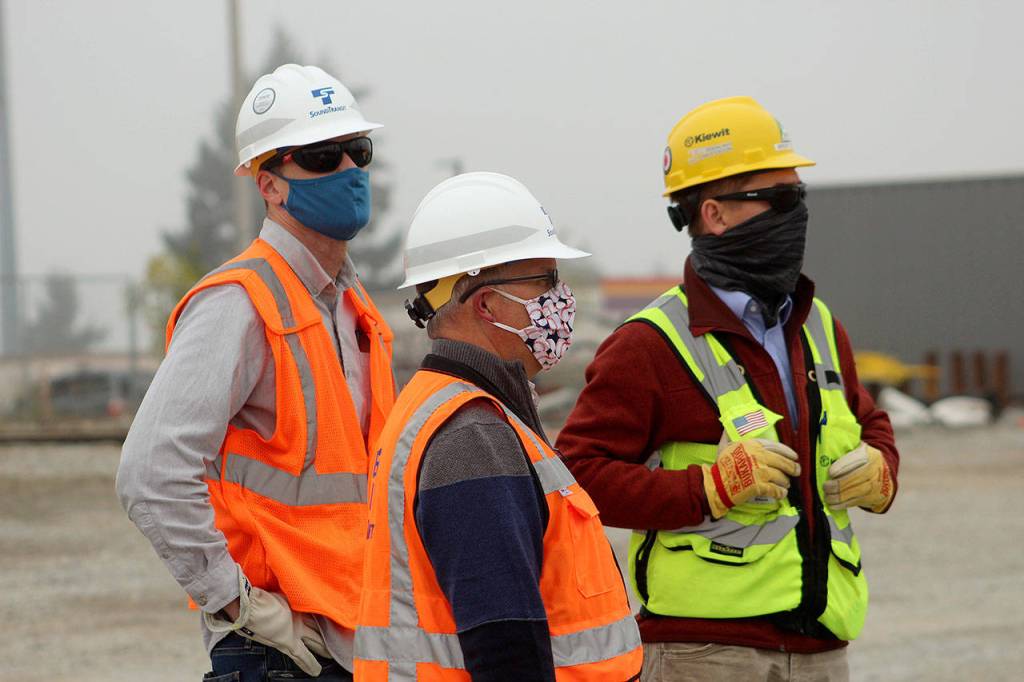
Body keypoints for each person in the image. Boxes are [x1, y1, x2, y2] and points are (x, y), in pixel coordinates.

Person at [555, 96, 900, 681]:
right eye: (782, 199)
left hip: (822, 648)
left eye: (800, 199)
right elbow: (577, 474)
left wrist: (883, 470)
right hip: (706, 656)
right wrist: (708, 490)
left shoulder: (820, 327)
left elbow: (868, 423)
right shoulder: (649, 344)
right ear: (713, 214)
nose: (798, 216)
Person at [116, 64, 396, 681]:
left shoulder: (355, 310)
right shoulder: (239, 302)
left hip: (352, 644)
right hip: (273, 652)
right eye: (323, 157)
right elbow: (151, 472)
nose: (349, 170)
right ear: (269, 185)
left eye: (358, 150)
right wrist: (238, 605)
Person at [353, 172, 643, 681]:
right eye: (545, 281)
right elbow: (507, 647)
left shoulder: (453, 407)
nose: (561, 299)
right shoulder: (471, 435)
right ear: (486, 304)